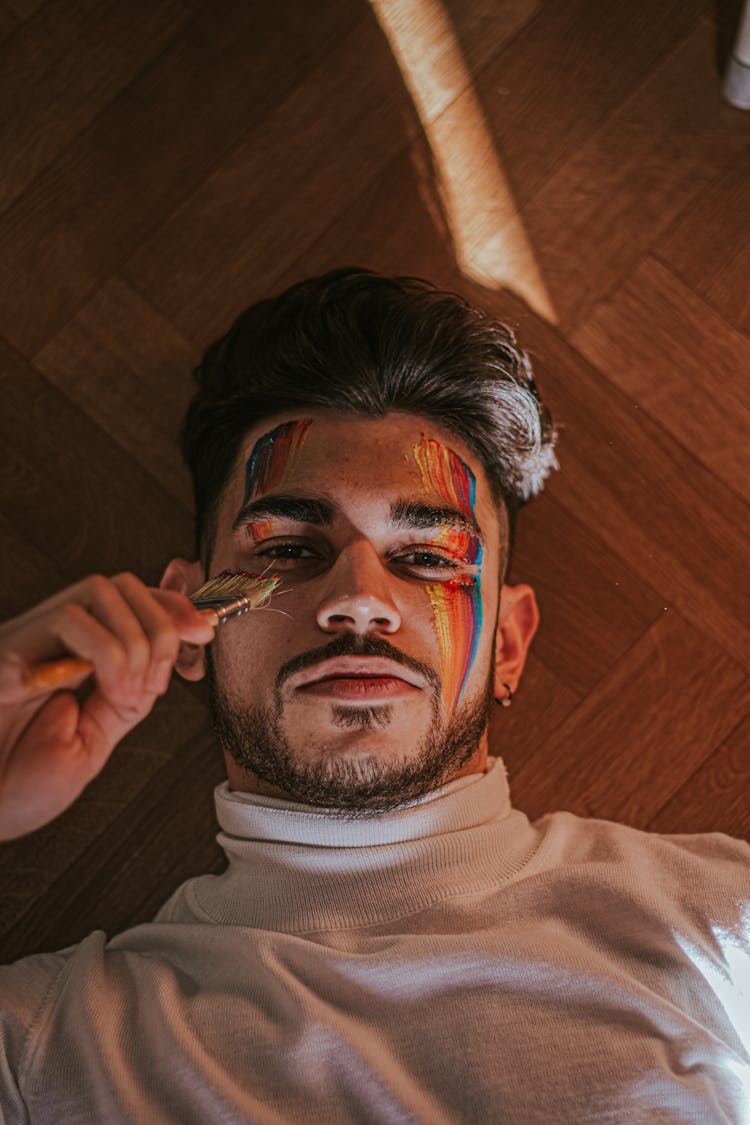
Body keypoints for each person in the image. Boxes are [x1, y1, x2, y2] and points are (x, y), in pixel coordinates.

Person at [0, 269, 747, 1123]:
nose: (359, 597)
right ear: (190, 617)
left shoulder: (721, 932)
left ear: (508, 642)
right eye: (285, 549)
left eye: (428, 557)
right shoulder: (43, 1052)